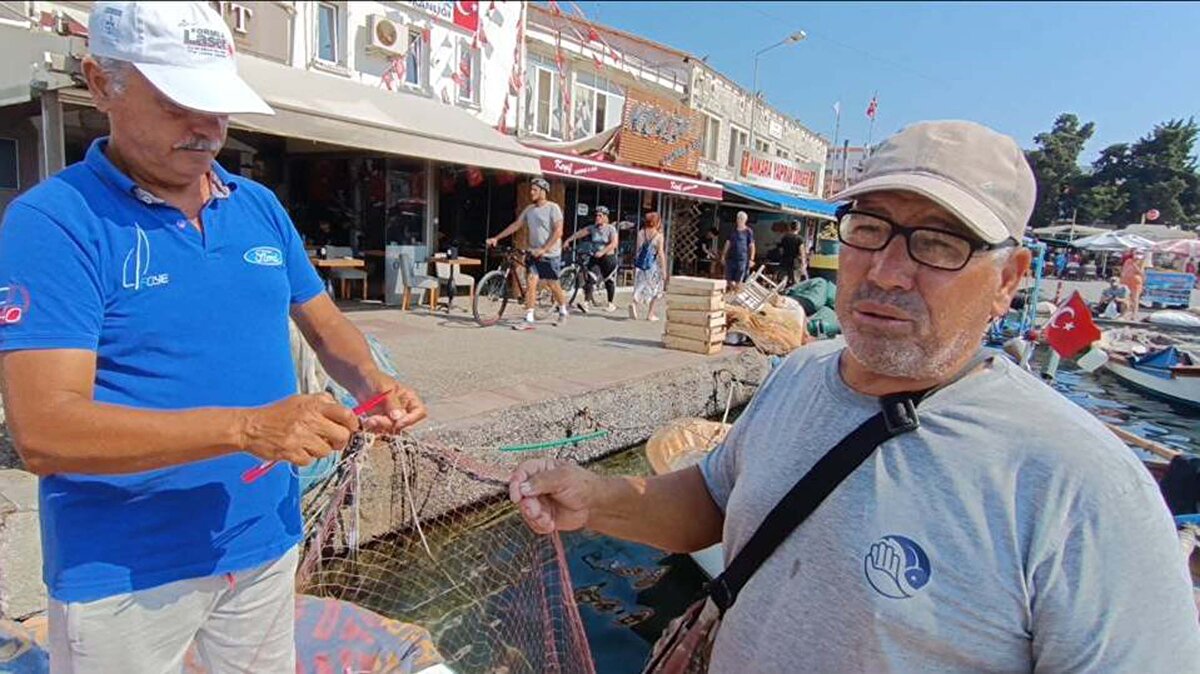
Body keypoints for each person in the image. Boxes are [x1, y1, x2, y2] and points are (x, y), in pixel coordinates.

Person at [507, 120, 1200, 672]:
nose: (888, 271)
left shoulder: (1079, 486)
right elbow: (716, 501)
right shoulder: (799, 376)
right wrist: (594, 500)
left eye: (938, 244)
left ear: (1009, 278)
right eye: (870, 230)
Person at [0, 4, 428, 673]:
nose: (206, 129)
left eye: (219, 105)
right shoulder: (53, 223)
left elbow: (325, 324)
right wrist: (248, 430)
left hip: (262, 540)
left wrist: (375, 383)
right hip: (124, 568)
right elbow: (44, 433)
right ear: (101, 81)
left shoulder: (257, 206)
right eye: (178, 102)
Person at [486, 177, 569, 326]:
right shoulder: (529, 209)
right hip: (533, 252)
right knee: (531, 281)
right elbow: (516, 225)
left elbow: (558, 232)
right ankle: (529, 317)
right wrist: (497, 238)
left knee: (553, 284)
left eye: (534, 190)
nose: (531, 192)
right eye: (531, 189)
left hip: (550, 253)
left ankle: (563, 309)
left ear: (543, 192)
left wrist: (544, 249)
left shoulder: (553, 208)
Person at [563, 205, 618, 313]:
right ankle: (586, 303)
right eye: (596, 215)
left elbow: (614, 243)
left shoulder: (611, 229)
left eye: (600, 216)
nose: (597, 217)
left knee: (608, 281)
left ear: (605, 217)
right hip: (595, 257)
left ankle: (611, 303)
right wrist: (568, 240)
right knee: (590, 279)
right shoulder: (592, 228)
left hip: (608, 258)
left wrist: (603, 252)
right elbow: (580, 233)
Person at [629, 211, 668, 321]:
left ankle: (634, 303)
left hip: (640, 265)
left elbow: (638, 250)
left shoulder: (641, 233)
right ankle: (650, 314)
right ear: (657, 222)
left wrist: (635, 263)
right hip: (652, 266)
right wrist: (664, 269)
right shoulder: (659, 236)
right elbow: (660, 253)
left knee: (640, 285)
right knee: (655, 288)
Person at [723, 211, 756, 289]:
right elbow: (728, 243)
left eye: (742, 219)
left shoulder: (748, 231)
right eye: (739, 218)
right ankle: (732, 291)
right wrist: (723, 255)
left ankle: (736, 294)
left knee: (739, 279)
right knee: (729, 279)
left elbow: (752, 246)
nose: (740, 220)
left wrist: (751, 259)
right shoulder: (732, 230)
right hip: (731, 258)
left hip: (742, 259)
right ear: (736, 219)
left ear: (745, 220)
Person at [1120, 250, 1147, 319]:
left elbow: (1141, 273)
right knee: (1126, 297)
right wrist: (1122, 279)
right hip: (1126, 281)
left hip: (1136, 282)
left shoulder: (1141, 262)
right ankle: (1125, 313)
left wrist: (1135, 265)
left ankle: (1134, 314)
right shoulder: (1128, 261)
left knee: (1135, 298)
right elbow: (1124, 270)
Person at [779, 220, 804, 287]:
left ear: (790, 227)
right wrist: (803, 263)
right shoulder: (799, 239)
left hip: (785, 261)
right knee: (795, 282)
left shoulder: (784, 238)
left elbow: (781, 250)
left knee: (782, 281)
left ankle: (779, 294)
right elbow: (801, 252)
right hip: (795, 263)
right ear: (799, 228)